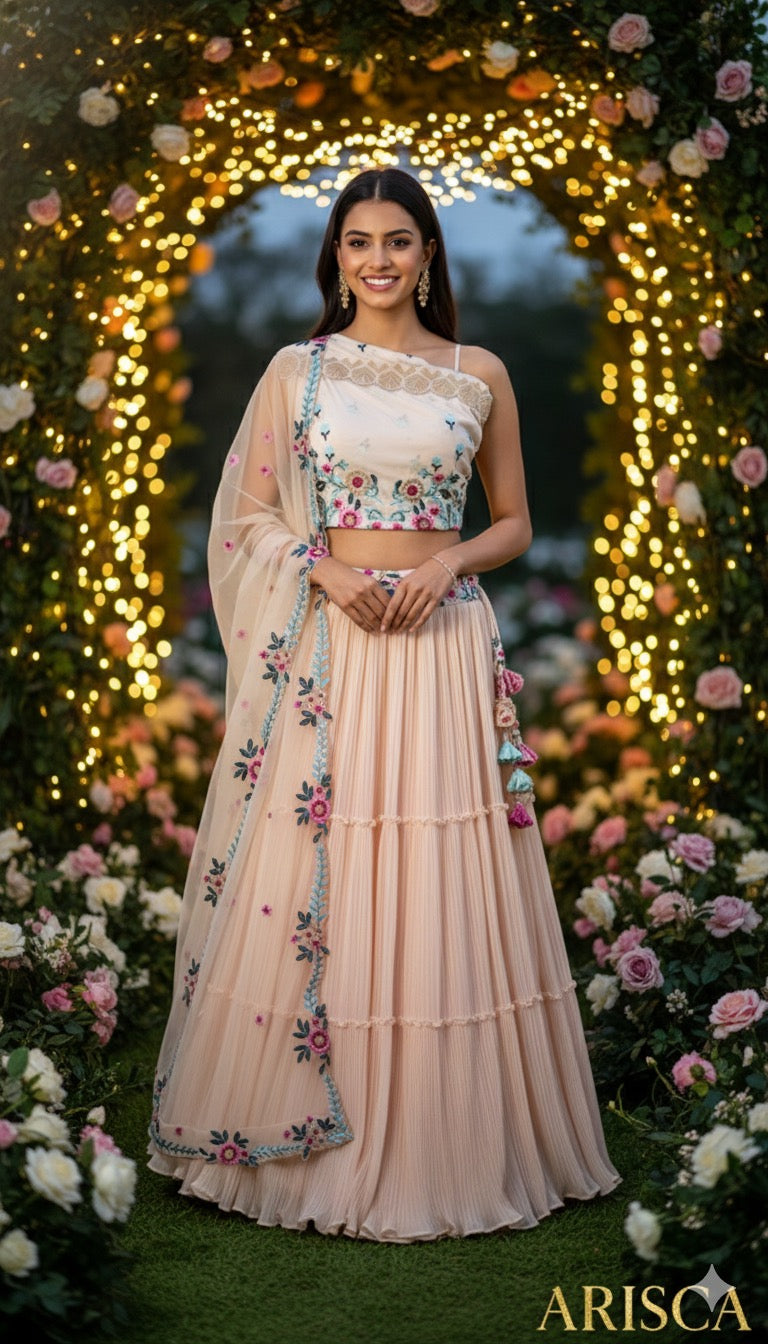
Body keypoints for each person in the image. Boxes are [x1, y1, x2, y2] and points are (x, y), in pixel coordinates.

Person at [147, 166, 622, 1242]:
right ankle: (309, 1140)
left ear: (429, 254)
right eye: (357, 242)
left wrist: (446, 569)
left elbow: (512, 522)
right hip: (335, 651)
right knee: (336, 866)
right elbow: (248, 512)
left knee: (436, 874)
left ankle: (452, 1144)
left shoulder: (476, 372)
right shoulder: (295, 372)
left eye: (398, 241)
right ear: (336, 259)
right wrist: (327, 573)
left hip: (440, 647)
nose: (377, 260)